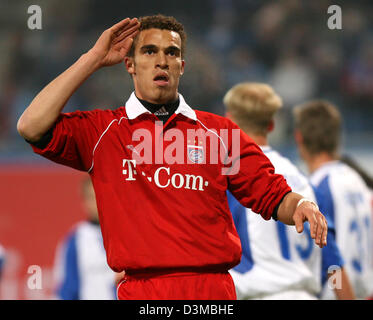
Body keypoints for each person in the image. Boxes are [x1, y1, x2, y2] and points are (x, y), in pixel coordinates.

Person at [17, 14, 327, 300]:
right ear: (130, 64)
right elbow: (31, 125)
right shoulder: (102, 132)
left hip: (211, 293)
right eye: (149, 51)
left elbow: (272, 193)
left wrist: (301, 204)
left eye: (172, 53)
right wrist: (93, 59)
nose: (161, 61)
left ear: (182, 65)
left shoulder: (219, 133)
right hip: (143, 293)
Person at [223, 82, 354, 300]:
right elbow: (332, 262)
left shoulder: (230, 179)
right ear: (272, 125)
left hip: (257, 294)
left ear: (228, 120)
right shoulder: (304, 182)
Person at [293, 100, 373, 299]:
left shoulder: (318, 188)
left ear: (299, 138)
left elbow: (330, 258)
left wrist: (339, 293)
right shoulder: (356, 179)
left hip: (340, 294)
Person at [53, 177, 120, 300]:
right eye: (90, 197)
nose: (96, 202)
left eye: (99, 195)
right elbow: (68, 288)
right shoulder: (75, 239)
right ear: (84, 202)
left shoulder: (124, 234)